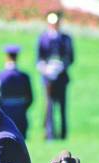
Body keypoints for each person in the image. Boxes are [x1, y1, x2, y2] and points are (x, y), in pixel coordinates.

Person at [37, 11, 74, 140]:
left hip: (61, 77)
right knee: (49, 106)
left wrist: (61, 66)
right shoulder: (43, 38)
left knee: (62, 106)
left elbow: (70, 58)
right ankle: (49, 134)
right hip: (48, 78)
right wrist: (45, 69)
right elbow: (39, 58)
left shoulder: (66, 38)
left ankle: (63, 134)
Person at [0, 44, 33, 139]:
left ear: (6, 57)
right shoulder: (24, 77)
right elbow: (30, 98)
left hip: (5, 111)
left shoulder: (0, 76)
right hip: (20, 111)